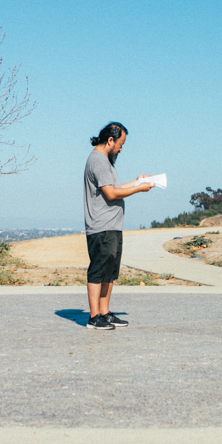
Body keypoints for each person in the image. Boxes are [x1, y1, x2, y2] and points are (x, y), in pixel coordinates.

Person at [82, 121, 153, 330]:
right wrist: (138, 190)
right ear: (110, 140)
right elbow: (111, 193)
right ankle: (94, 317)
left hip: (111, 226)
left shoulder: (104, 161)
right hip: (101, 226)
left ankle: (104, 313)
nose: (121, 148)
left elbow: (116, 187)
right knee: (98, 271)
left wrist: (137, 182)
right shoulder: (99, 161)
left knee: (110, 272)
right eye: (120, 144)